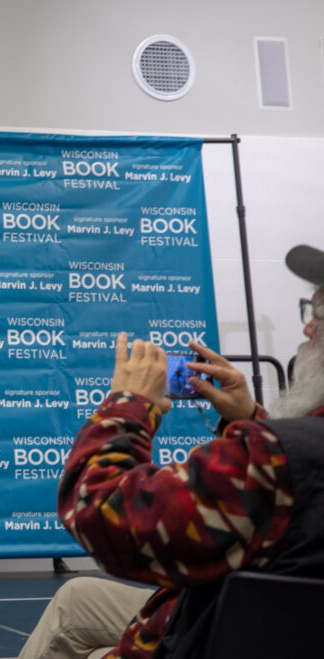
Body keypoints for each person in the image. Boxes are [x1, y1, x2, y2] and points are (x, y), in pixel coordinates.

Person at [18, 243, 324, 659]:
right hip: (268, 620)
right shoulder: (287, 450)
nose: (307, 328)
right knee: (75, 600)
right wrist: (249, 417)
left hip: (211, 630)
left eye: (317, 314)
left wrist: (128, 406)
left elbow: (102, 513)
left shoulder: (271, 458)